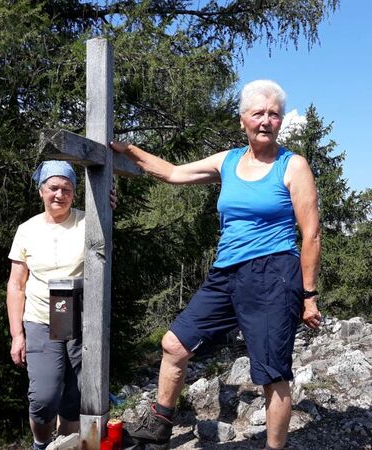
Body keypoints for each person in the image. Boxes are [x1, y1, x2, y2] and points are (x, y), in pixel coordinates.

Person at [110, 79, 322, 450]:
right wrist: (128, 150)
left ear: (281, 122)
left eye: (274, 114)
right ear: (243, 119)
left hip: (274, 273)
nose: (266, 121)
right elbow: (174, 173)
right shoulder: (227, 161)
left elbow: (312, 234)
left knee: (272, 373)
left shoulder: (293, 166)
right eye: (258, 113)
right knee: (175, 344)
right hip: (226, 273)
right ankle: (160, 423)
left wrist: (309, 295)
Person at [6, 161, 115, 450]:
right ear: (41, 190)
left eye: (67, 188)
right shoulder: (27, 230)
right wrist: (17, 334)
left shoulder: (88, 220)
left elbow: (105, 235)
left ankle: (65, 445)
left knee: (75, 395)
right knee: (44, 394)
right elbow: (16, 284)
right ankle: (41, 444)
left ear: (75, 193)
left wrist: (109, 203)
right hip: (40, 318)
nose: (60, 194)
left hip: (81, 318)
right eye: (53, 187)